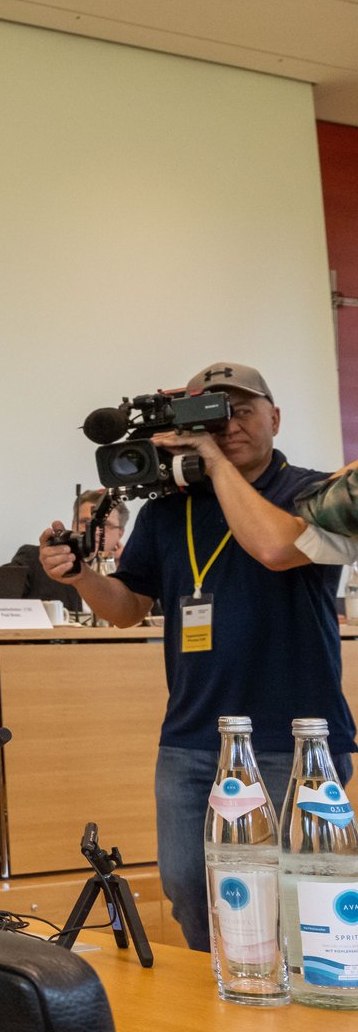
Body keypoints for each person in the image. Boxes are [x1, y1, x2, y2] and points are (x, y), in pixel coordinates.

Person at [37, 361, 353, 950]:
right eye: (211, 412)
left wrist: (209, 460)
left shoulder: (312, 491)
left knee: (294, 895)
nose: (227, 424)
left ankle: (297, 1022)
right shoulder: (166, 510)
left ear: (275, 418)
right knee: (188, 885)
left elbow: (273, 548)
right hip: (193, 734)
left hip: (296, 734)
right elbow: (129, 607)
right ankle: (224, 1012)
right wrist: (80, 576)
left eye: (241, 410)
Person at [11, 488, 124, 615]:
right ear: (73, 524)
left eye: (105, 525)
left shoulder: (132, 570)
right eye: (85, 523)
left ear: (120, 534)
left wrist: (126, 571)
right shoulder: (34, 559)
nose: (95, 531)